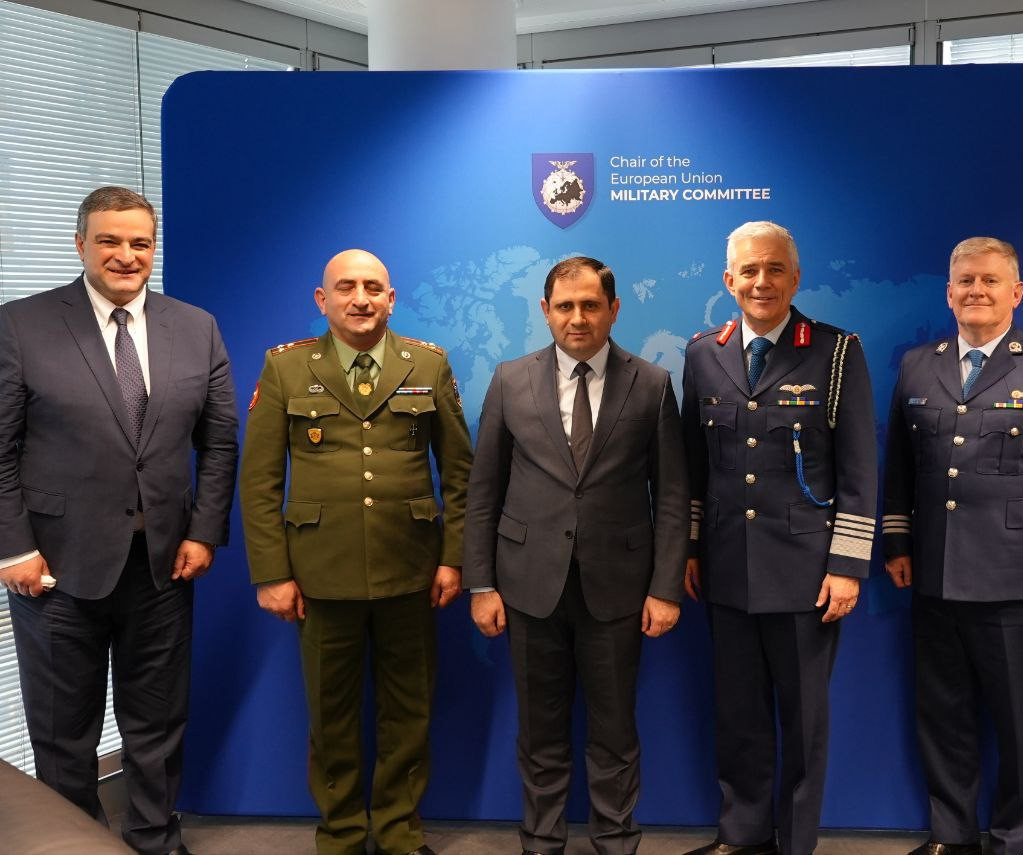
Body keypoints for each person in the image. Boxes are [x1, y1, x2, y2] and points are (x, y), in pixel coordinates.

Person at [0, 186, 239, 855]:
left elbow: (219, 443)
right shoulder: (22, 324)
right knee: (63, 733)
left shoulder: (196, 327)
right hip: (55, 568)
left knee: (157, 723)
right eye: (109, 240)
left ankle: (156, 839)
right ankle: (75, 845)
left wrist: (203, 531)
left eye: (140, 242)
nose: (126, 255)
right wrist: (13, 549)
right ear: (81, 244)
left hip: (163, 566)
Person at [239, 249, 472, 855]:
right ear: (323, 300)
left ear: (391, 299)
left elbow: (460, 474)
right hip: (321, 571)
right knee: (330, 714)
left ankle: (398, 832)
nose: (360, 299)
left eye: (373, 288)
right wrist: (271, 573)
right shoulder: (286, 367)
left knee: (409, 711)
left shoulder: (428, 363)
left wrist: (454, 558)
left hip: (410, 569)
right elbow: (259, 481)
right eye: (346, 288)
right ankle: (340, 834)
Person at [881, 237, 1023, 855]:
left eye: (990, 280)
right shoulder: (918, 366)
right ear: (948, 293)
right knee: (942, 716)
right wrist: (897, 541)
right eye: (966, 281)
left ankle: (1013, 841)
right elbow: (899, 465)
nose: (976, 291)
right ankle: (952, 836)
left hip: (1019, 582)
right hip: (935, 574)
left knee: (1019, 726)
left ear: (1017, 292)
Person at [463, 256, 687, 855]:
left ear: (614, 309)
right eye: (565, 306)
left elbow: (671, 495)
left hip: (619, 589)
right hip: (527, 587)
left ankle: (616, 841)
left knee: (614, 733)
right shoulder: (510, 380)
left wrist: (665, 589)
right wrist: (481, 584)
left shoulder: (652, 384)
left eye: (590, 305)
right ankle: (541, 842)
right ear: (545, 311)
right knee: (539, 732)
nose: (578, 318)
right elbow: (483, 491)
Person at [681, 221, 878, 855]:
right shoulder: (702, 353)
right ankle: (741, 835)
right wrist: (690, 549)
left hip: (805, 571)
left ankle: (794, 842)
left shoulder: (835, 352)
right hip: (726, 566)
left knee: (803, 718)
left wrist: (847, 565)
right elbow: (693, 466)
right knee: (737, 714)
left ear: (795, 278)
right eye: (749, 270)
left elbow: (858, 469)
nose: (761, 282)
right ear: (728, 280)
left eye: (774, 269)